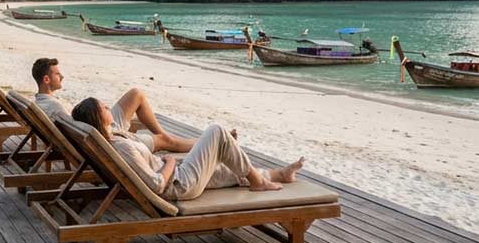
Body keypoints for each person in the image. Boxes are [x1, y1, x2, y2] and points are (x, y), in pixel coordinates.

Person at [71, 97, 303, 201]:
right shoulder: (121, 148)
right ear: (98, 118)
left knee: (222, 168)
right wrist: (171, 161)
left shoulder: (114, 135)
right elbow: (155, 185)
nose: (107, 106)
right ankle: (258, 181)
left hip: (176, 174)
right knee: (217, 131)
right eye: (103, 107)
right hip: (179, 184)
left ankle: (278, 174)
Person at [30, 57, 193, 153]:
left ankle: (164, 135)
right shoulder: (55, 109)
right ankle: (179, 141)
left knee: (136, 94)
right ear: (46, 79)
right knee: (166, 142)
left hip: (101, 128)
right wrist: (106, 122)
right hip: (109, 137)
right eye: (57, 74)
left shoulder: (43, 103)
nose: (62, 76)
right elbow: (87, 132)